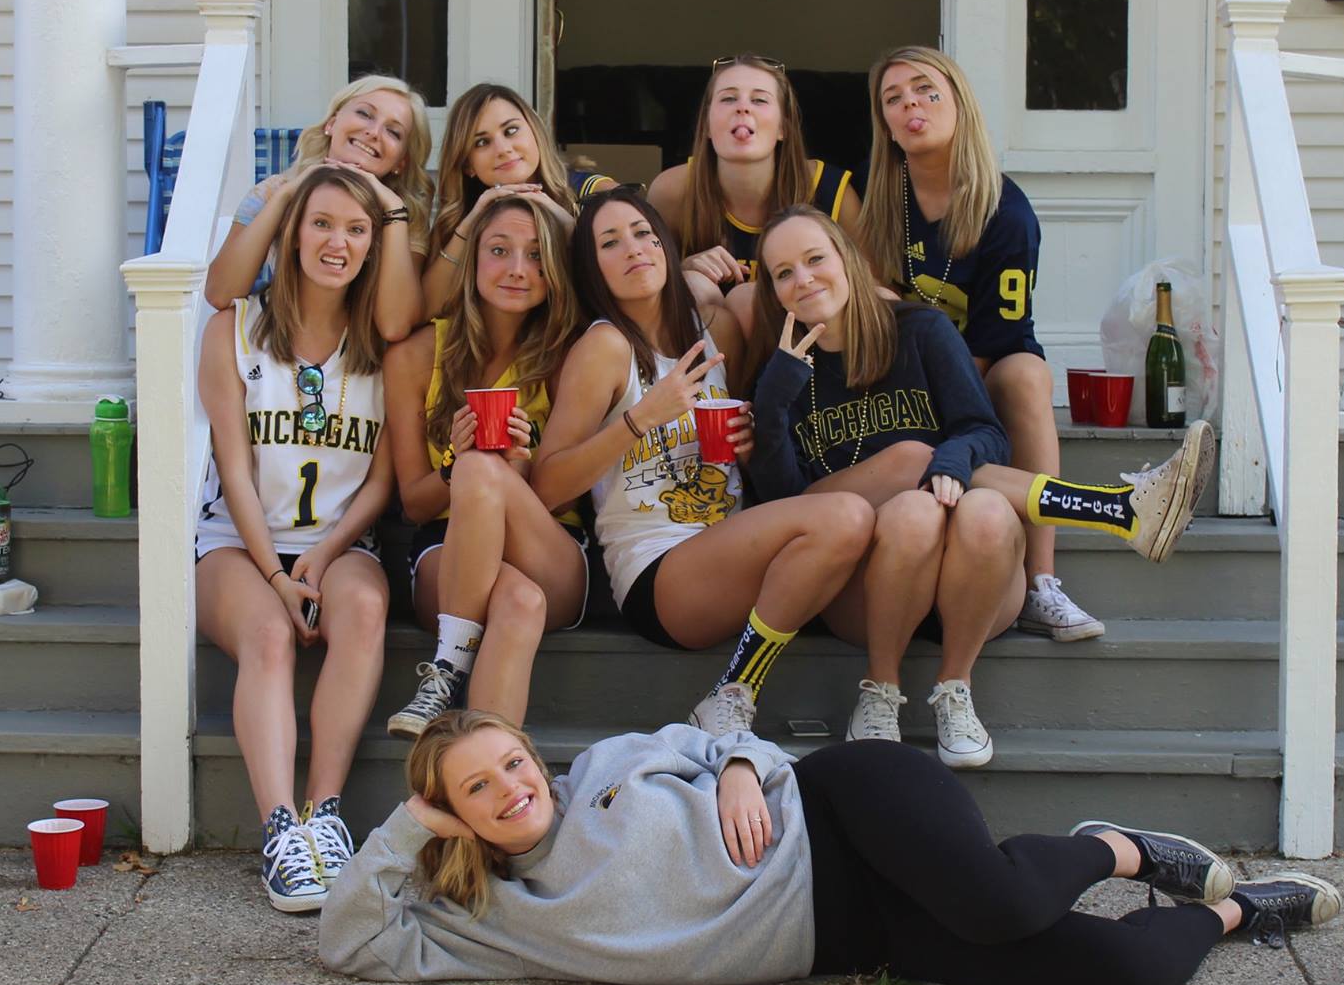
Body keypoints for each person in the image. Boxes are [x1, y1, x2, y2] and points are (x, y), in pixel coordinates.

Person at [319, 709, 1342, 985]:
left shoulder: (606, 766)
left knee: (996, 903)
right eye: (477, 790)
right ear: (451, 816)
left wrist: (736, 767)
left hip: (844, 806)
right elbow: (345, 943)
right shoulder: (487, 921)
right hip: (857, 933)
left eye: (511, 761)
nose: (512, 788)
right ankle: (1235, 913)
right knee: (1116, 975)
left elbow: (726, 738)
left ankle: (1113, 849)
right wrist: (407, 828)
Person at [747, 208, 1214, 765]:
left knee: (986, 511)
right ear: (772, 290)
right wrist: (771, 404)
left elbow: (985, 432)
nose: (803, 279)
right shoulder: (780, 376)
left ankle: (956, 688)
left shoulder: (921, 330)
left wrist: (953, 460)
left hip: (974, 583)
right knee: (912, 495)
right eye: (783, 273)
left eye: (815, 259)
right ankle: (1114, 511)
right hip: (865, 594)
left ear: (846, 260)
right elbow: (783, 506)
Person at [532, 189, 875, 736]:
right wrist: (640, 419)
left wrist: (749, 445)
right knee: (845, 516)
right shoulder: (604, 348)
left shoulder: (716, 330)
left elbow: (749, 451)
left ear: (665, 246)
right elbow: (548, 487)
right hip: (658, 568)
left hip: (729, 544)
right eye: (610, 243)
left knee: (863, 521)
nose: (633, 249)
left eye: (643, 234)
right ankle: (733, 691)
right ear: (592, 269)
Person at [195, 167, 396, 913]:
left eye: (356, 229)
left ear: (373, 246)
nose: (337, 242)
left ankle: (324, 815)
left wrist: (327, 551)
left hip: (336, 544)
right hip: (235, 541)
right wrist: (277, 577)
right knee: (270, 637)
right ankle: (281, 830)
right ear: (291, 233)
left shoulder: (384, 347)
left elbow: (382, 479)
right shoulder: (234, 328)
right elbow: (234, 470)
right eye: (321, 223)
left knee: (365, 610)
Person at [854, 46, 1100, 642]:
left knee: (1027, 375)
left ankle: (1041, 582)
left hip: (980, 369)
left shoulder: (1005, 211)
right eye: (894, 98)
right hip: (901, 372)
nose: (911, 104)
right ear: (885, 124)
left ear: (960, 105)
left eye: (927, 90)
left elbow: (997, 340)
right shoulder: (877, 198)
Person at [381, 192, 586, 739]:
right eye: (499, 250)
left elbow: (566, 497)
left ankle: (445, 672)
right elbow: (414, 503)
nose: (518, 269)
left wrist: (516, 466)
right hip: (446, 547)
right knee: (517, 599)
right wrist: (456, 465)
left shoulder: (569, 355)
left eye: (537, 255)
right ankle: (492, 768)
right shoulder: (415, 356)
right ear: (472, 260)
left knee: (480, 471)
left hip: (547, 543)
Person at [205, 75, 433, 341]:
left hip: (361, 350)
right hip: (287, 336)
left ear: (401, 162)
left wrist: (392, 209)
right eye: (365, 114)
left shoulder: (404, 214)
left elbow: (395, 326)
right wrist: (285, 195)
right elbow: (220, 294)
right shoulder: (273, 191)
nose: (373, 132)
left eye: (393, 132)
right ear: (331, 124)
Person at [648, 54, 859, 335]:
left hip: (815, 339)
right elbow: (644, 288)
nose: (743, 108)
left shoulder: (830, 189)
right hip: (716, 350)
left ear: (783, 127)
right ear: (707, 125)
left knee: (747, 299)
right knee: (693, 284)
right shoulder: (673, 190)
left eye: (759, 100)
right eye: (728, 99)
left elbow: (874, 288)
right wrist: (683, 267)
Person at [421, 82, 620, 310]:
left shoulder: (593, 192)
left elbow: (628, 287)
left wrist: (570, 230)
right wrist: (466, 228)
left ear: (535, 131)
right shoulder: (464, 217)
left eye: (511, 131)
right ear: (468, 165)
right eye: (482, 142)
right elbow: (427, 309)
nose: (503, 149)